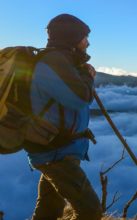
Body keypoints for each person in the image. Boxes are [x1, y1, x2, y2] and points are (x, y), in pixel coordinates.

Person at [28, 14, 102, 220]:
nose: (88, 42)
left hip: (56, 149)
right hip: (56, 153)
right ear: (72, 38)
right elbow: (81, 98)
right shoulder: (54, 62)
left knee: (49, 209)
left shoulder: (62, 61)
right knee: (91, 211)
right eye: (84, 37)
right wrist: (88, 74)